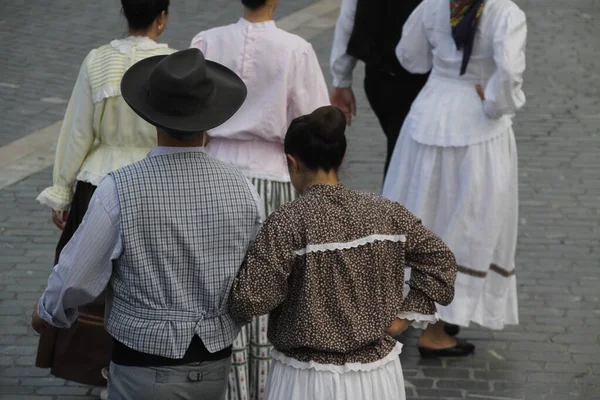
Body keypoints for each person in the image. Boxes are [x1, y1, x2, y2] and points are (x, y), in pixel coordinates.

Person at [31, 48, 263, 400]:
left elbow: (76, 276)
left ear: (152, 116)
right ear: (209, 116)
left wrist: (49, 312)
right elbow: (252, 272)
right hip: (215, 364)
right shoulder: (243, 187)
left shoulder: (120, 188)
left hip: (142, 365)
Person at [229, 106, 457, 400]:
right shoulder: (385, 212)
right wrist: (403, 317)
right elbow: (441, 259)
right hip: (378, 378)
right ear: (342, 157)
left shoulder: (286, 223)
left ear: (292, 162)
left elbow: (251, 299)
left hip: (305, 380)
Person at [34, 0, 175, 393]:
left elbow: (78, 130)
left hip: (98, 183)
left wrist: (62, 191)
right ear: (162, 17)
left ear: (124, 12)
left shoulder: (97, 60)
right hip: (154, 183)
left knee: (91, 279)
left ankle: (96, 373)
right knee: (146, 281)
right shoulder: (173, 63)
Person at [189, 1, 329, 398]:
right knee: (273, 291)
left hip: (212, 175)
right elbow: (316, 120)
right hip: (273, 177)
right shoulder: (295, 49)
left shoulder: (207, 42)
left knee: (216, 288)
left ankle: (224, 387)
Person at [382, 0, 527, 357]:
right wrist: (495, 103)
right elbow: (508, 72)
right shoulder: (505, 12)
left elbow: (409, 55)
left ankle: (399, 311)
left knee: (419, 213)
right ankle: (436, 327)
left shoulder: (433, 4)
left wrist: (445, 69)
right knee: (467, 221)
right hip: (477, 124)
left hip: (429, 113)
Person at [330, 0, 429, 175]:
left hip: (384, 72)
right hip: (424, 79)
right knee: (408, 159)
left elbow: (349, 17)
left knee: (402, 154)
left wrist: (341, 79)